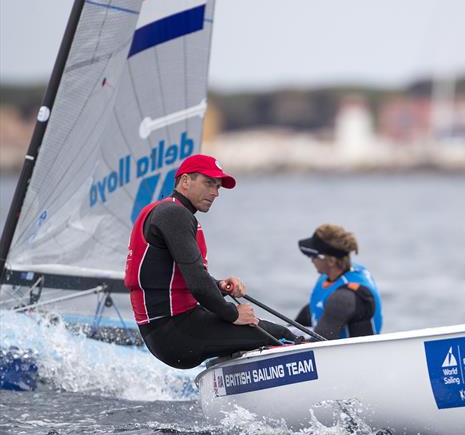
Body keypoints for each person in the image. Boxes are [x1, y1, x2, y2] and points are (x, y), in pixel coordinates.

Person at [124, 154, 301, 369]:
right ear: (185, 181)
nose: (215, 193)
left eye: (217, 187)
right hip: (175, 331)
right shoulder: (173, 214)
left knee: (255, 338)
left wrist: (218, 287)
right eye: (209, 183)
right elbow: (198, 284)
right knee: (283, 336)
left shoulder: (165, 211)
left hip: (166, 331)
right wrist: (233, 313)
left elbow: (179, 276)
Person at [296, 224, 383, 339]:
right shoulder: (333, 275)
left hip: (354, 355)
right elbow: (317, 307)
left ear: (331, 261)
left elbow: (319, 342)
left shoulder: (344, 298)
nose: (311, 260)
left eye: (313, 256)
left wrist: (280, 332)